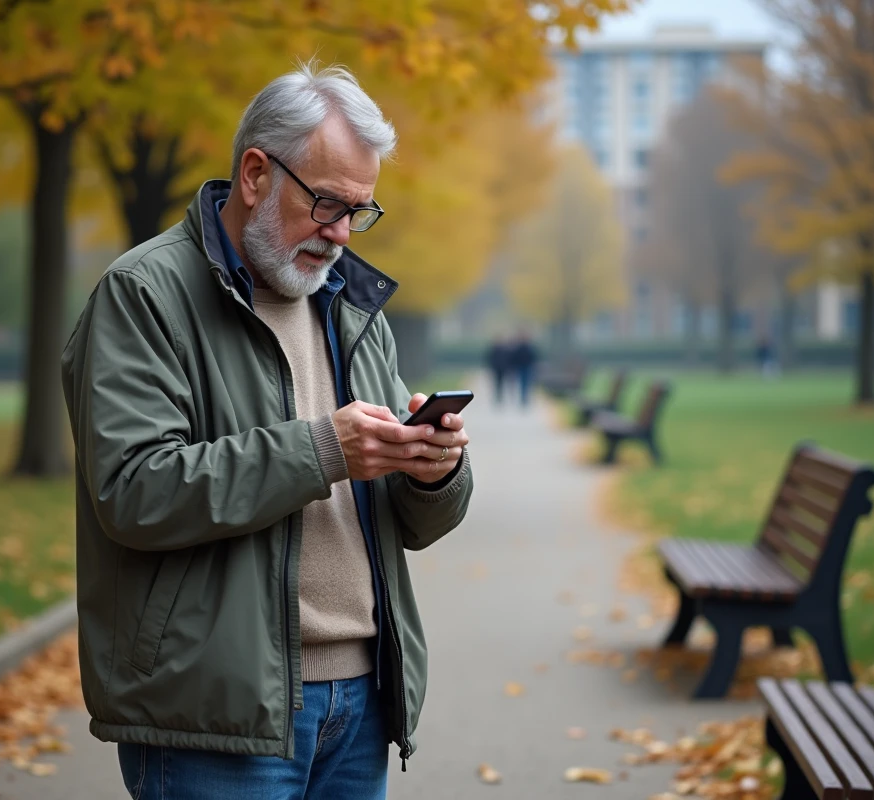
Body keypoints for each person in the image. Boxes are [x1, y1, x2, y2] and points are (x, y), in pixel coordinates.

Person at [62, 63, 474, 800]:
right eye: (327, 203)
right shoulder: (143, 294)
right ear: (255, 173)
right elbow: (133, 492)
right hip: (218, 717)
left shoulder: (349, 302)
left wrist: (435, 471)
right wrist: (323, 450)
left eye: (361, 211)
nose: (342, 233)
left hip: (361, 703)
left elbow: (410, 526)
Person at [509, 332, 538, 408]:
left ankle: (524, 398)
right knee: (523, 383)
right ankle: (523, 398)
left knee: (525, 383)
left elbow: (533, 357)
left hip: (527, 367)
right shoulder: (521, 348)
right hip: (521, 367)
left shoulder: (529, 347)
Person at [486, 336, 511, 406]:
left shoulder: (504, 350)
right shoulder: (494, 349)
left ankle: (500, 396)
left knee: (501, 383)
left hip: (502, 368)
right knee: (498, 383)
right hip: (497, 368)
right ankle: (498, 396)